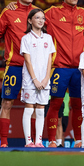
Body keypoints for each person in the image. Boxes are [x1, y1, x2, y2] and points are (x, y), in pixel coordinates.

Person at [44, 0, 84, 147]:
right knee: (55, 104)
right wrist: (14, 5)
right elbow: (32, 16)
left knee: (77, 104)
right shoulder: (52, 13)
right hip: (59, 67)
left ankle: (79, 140)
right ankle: (52, 140)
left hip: (79, 69)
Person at [0, 0, 37, 147]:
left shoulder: (38, 13)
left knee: (32, 104)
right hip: (14, 66)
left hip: (34, 68)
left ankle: (32, 141)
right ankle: (3, 142)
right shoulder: (8, 13)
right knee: (7, 102)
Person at [20, 9, 55, 148]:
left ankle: (39, 141)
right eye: (37, 18)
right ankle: (28, 141)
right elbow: (27, 61)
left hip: (44, 80)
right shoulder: (26, 38)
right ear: (30, 20)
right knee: (29, 108)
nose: (41, 20)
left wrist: (46, 78)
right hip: (30, 80)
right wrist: (34, 79)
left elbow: (49, 59)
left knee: (41, 109)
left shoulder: (48, 38)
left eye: (43, 18)